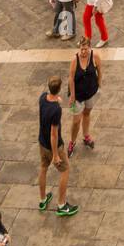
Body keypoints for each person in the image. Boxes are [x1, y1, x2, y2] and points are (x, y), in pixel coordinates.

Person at [38, 76, 78, 217]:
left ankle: (42, 199)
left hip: (42, 143)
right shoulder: (56, 110)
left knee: (43, 168)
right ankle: (61, 204)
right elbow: (54, 134)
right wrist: (55, 155)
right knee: (65, 170)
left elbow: (51, 100)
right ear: (60, 89)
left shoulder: (42, 98)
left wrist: (57, 100)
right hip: (54, 146)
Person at [67, 37, 102, 154]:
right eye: (81, 49)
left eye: (85, 49)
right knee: (76, 120)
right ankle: (72, 142)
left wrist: (99, 85)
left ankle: (86, 136)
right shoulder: (75, 60)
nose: (83, 52)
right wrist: (72, 96)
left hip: (90, 92)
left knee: (87, 113)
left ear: (89, 48)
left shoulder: (95, 57)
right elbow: (71, 79)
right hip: (77, 95)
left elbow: (100, 71)